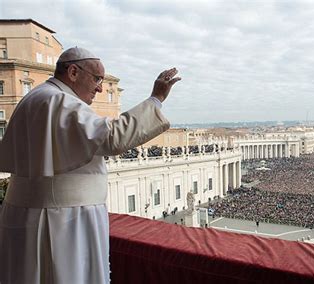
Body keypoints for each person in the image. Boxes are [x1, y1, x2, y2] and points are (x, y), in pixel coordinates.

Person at [0, 47, 180, 284]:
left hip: (32, 214)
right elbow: (112, 137)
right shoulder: (58, 100)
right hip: (63, 221)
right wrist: (156, 98)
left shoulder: (36, 97)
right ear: (73, 72)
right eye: (96, 79)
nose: (100, 88)